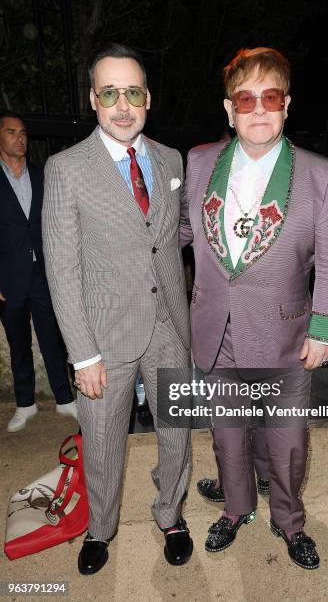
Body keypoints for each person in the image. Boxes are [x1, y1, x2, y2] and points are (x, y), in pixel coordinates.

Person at [180, 47, 328, 569]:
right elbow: (182, 233)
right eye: (245, 98)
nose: (257, 109)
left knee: (288, 444)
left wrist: (323, 331)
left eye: (269, 97)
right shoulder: (201, 160)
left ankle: (288, 519)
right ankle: (236, 509)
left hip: (285, 338)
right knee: (227, 436)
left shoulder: (322, 175)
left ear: (286, 105)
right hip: (216, 331)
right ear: (229, 109)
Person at [42, 43, 193, 575]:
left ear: (147, 98)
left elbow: (172, 235)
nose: (122, 104)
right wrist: (82, 355)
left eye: (132, 92)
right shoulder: (65, 169)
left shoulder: (171, 160)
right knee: (103, 441)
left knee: (177, 434)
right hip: (103, 336)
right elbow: (60, 269)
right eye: (110, 93)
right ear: (93, 99)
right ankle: (100, 527)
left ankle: (170, 513)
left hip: (170, 327)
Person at [0, 112, 76, 432]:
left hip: (45, 274)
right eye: (11, 132)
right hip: (8, 281)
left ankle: (64, 398)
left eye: (23, 133)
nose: (20, 138)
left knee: (52, 339)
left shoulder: (41, 175)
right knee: (18, 346)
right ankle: (25, 404)